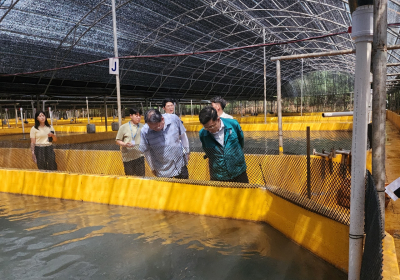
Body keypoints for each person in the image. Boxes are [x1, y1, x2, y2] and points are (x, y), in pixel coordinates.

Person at [199, 106, 248, 183]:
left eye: (212, 126)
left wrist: (234, 155)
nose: (210, 130)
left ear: (218, 119)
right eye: (206, 127)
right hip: (219, 175)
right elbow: (208, 151)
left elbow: (241, 140)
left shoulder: (233, 124)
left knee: (244, 194)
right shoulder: (203, 134)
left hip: (238, 170)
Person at [139, 109, 190, 179]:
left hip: (179, 164)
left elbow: (183, 136)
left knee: (184, 187)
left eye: (157, 126)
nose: (156, 129)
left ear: (162, 119)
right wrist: (152, 168)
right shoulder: (145, 131)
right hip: (162, 169)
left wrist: (187, 152)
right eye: (152, 128)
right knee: (166, 189)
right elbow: (146, 151)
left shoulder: (174, 119)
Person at [115, 108, 145, 176]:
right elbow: (118, 141)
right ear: (131, 116)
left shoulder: (143, 127)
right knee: (130, 178)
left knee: (141, 178)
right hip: (127, 158)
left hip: (139, 156)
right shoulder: (123, 127)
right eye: (136, 115)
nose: (139, 117)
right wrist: (125, 144)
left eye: (140, 115)